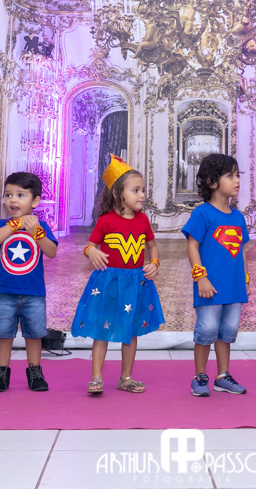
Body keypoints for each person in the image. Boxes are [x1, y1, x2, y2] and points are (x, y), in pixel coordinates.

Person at [72, 155, 164, 394]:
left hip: (135, 283)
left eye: (143, 190)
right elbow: (89, 246)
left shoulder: (143, 220)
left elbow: (152, 246)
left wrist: (154, 262)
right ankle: (96, 377)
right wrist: (91, 252)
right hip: (108, 282)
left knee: (130, 331)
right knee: (102, 329)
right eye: (136, 190)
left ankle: (126, 378)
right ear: (118, 194)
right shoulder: (105, 221)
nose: (142, 195)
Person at [183, 153, 250, 397]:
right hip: (209, 286)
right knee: (207, 329)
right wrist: (200, 277)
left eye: (238, 175)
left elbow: (241, 249)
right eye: (230, 175)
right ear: (212, 182)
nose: (237, 180)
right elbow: (192, 246)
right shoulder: (202, 214)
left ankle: (223, 376)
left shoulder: (238, 217)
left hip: (233, 286)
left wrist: (245, 279)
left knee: (227, 331)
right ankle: (200, 376)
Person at [0, 172, 58, 393]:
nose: (13, 200)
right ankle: (1, 373)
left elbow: (51, 251)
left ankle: (35, 372)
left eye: (20, 195)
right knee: (3, 334)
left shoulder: (41, 225)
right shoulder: (3, 224)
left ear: (34, 201)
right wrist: (15, 224)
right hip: (5, 292)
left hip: (34, 293)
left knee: (34, 335)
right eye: (8, 195)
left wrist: (36, 231)